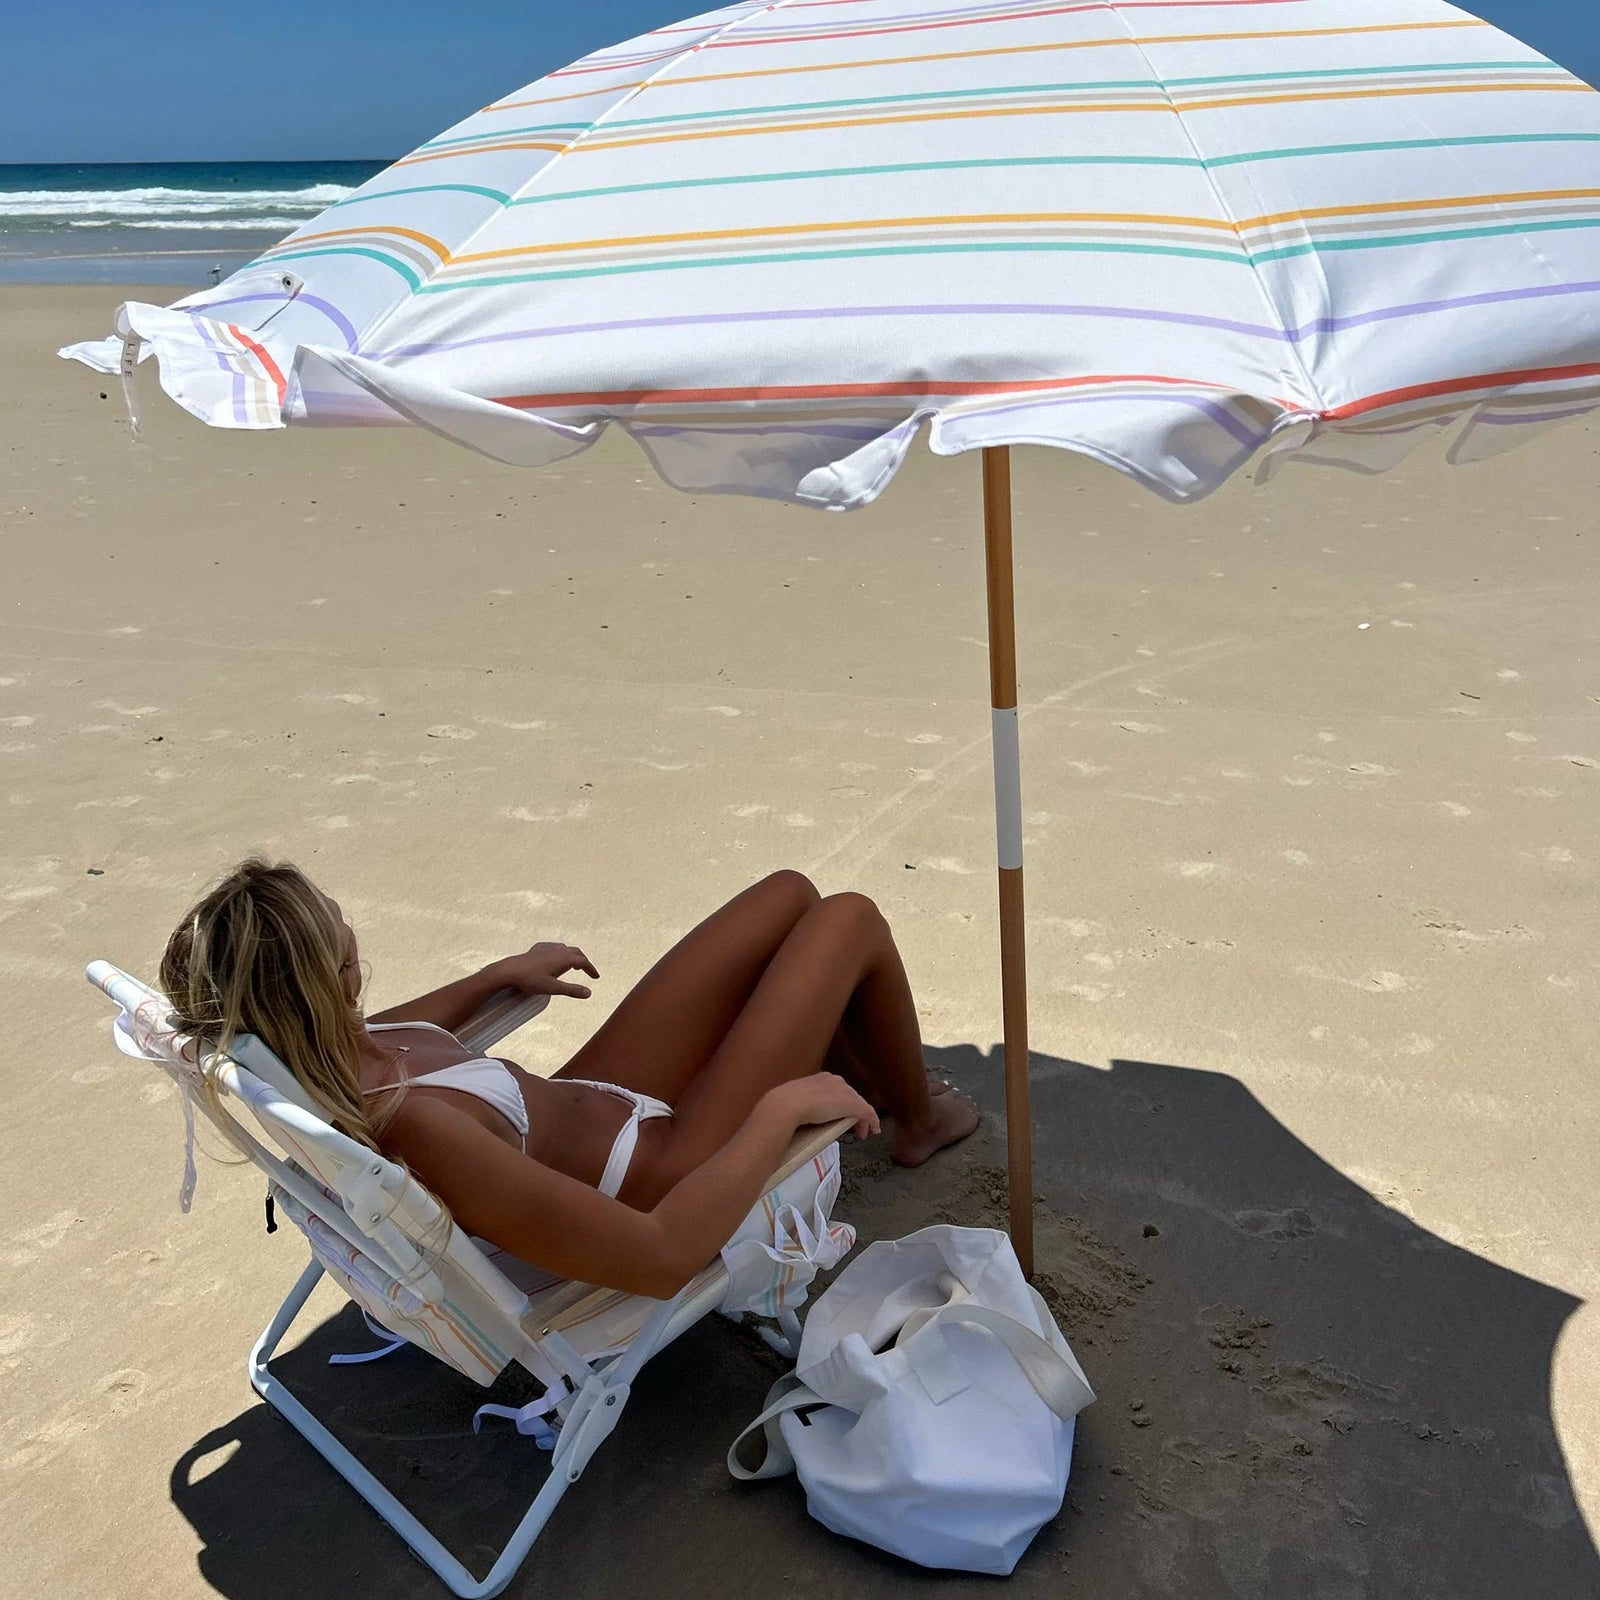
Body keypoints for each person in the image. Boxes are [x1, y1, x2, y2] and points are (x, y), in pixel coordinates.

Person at [159, 859, 980, 1298]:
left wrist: (498, 975)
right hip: (662, 1169)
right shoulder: (419, 1127)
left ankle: (875, 1078)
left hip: (593, 1103)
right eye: (337, 929)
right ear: (327, 981)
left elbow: (419, 1028)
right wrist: (778, 1112)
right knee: (846, 919)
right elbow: (661, 1259)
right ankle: (916, 1121)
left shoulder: (322, 1049)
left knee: (788, 895)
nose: (346, 921)